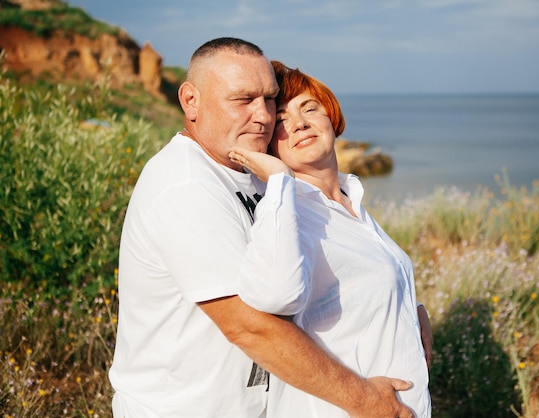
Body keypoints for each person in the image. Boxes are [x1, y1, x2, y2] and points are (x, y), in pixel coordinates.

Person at [108, 37, 418, 417]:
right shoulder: (185, 184)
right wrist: (366, 401)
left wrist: (408, 312)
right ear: (191, 101)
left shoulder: (254, 176)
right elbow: (251, 327)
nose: (264, 116)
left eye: (269, 99)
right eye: (243, 99)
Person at [228, 60, 432, 417]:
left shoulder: (351, 201)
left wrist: (415, 312)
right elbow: (276, 298)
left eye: (310, 108)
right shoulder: (288, 215)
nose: (300, 123)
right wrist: (278, 181)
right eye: (281, 122)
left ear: (331, 118)